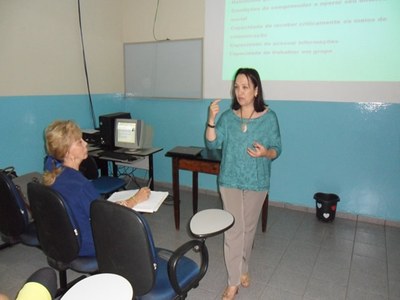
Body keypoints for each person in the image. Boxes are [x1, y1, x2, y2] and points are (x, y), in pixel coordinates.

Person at [205, 68, 282, 299]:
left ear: (256, 90)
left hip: (257, 182)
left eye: (245, 87)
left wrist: (265, 153)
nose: (240, 91)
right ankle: (233, 282)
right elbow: (212, 144)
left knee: (248, 230)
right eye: (236, 87)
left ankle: (244, 268)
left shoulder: (269, 118)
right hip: (229, 180)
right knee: (234, 231)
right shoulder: (228, 117)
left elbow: (277, 149)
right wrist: (211, 119)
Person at [43, 120, 150, 257]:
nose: (86, 143)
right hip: (87, 245)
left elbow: (95, 207)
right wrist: (135, 199)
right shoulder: (81, 186)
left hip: (63, 239)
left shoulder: (52, 169)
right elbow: (105, 217)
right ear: (68, 152)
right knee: (137, 225)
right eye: (79, 142)